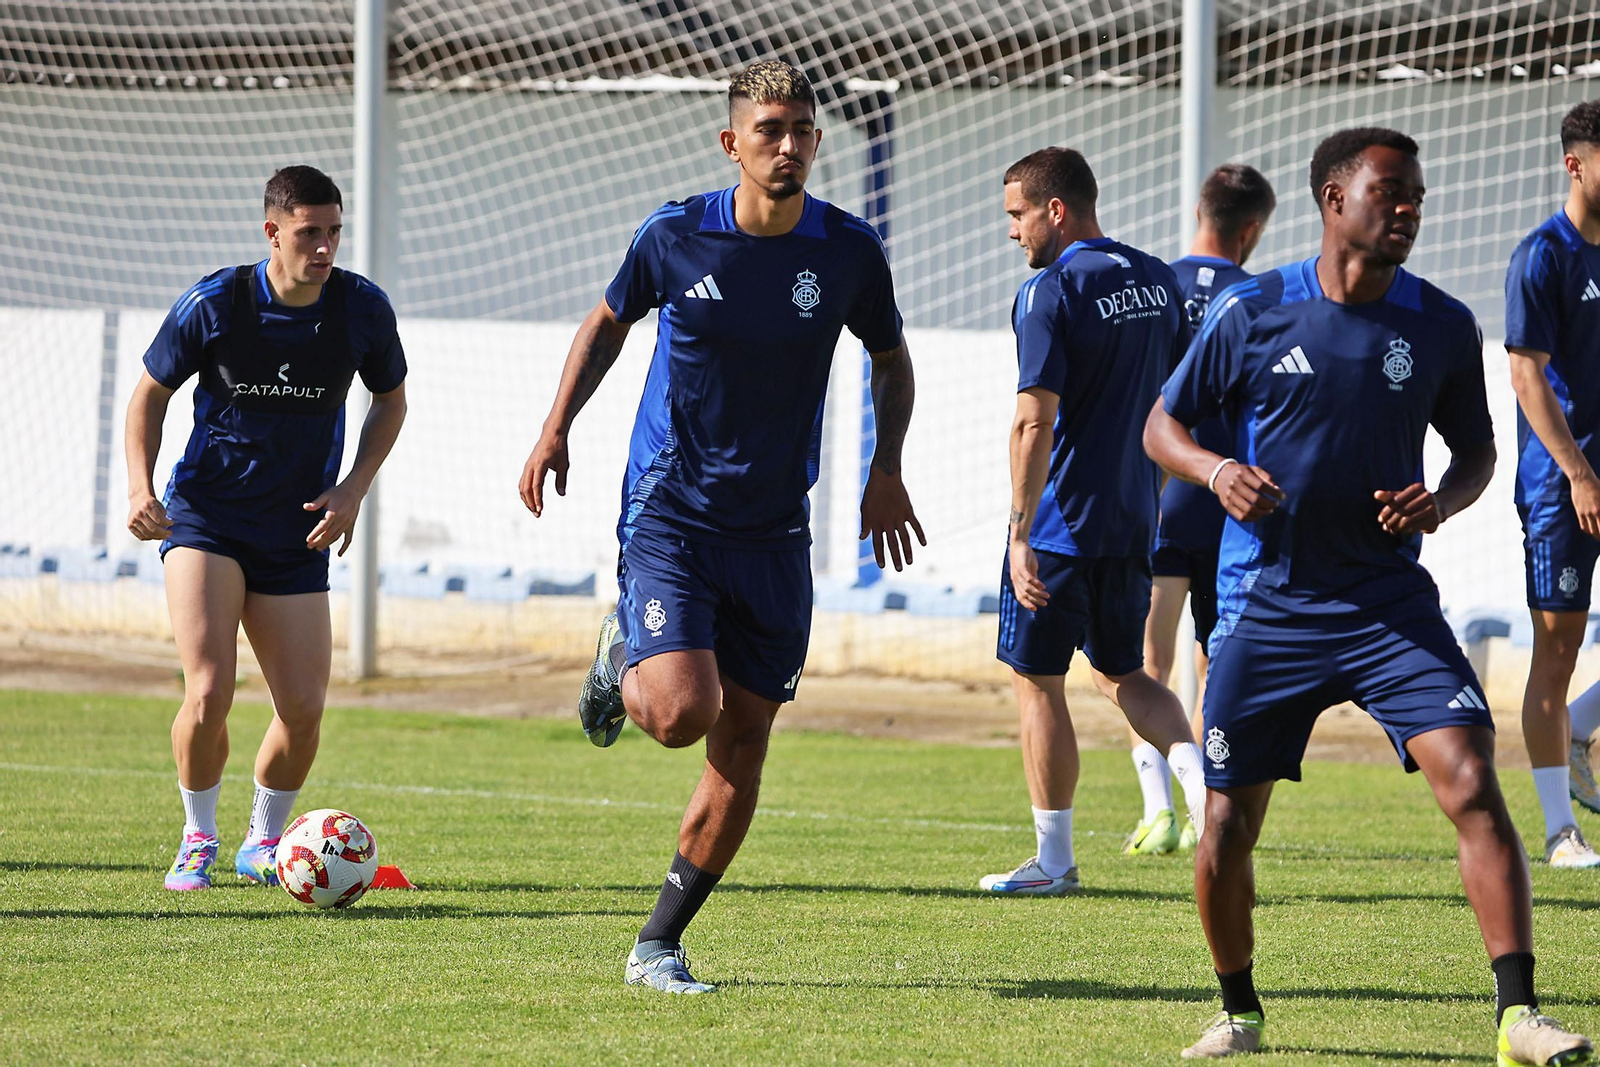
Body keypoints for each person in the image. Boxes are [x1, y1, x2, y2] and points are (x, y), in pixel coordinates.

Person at [1145, 127, 1591, 1064]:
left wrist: (1444, 497)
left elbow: (1475, 453)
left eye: (1417, 195)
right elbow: (1163, 424)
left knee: (1472, 779)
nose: (1409, 208)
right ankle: (1241, 1012)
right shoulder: (1254, 311)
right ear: (1332, 198)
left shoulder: (1436, 323)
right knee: (1226, 824)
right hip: (1269, 607)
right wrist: (1216, 468)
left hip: (1389, 604)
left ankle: (1519, 1015)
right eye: (1390, 192)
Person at [517, 60, 923, 994]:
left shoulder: (850, 252)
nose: (787, 147)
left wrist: (886, 469)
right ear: (731, 141)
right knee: (678, 714)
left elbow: (892, 360)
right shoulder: (674, 235)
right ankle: (630, 648)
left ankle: (657, 942)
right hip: (673, 513)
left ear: (819, 143)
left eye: (802, 132)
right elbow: (609, 323)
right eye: (769, 130)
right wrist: (555, 429)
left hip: (777, 527)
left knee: (744, 743)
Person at [124, 165, 408, 892]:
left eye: (334, 231)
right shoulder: (216, 302)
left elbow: (390, 401)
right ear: (272, 232)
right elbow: (148, 396)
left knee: (306, 708)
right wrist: (139, 487)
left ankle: (264, 839)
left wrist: (352, 489)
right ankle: (197, 837)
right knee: (211, 687)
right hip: (207, 519)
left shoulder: (361, 310)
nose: (324, 247)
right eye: (309, 232)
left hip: (297, 531)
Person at [980, 146, 1209, 897]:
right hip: (1134, 522)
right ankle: (1206, 793)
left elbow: (1032, 424)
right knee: (1124, 673)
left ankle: (1053, 860)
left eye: (1017, 214)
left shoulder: (1050, 292)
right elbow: (1180, 403)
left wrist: (1018, 534)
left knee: (1037, 680)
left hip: (1057, 529)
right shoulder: (1158, 280)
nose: (1011, 231)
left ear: (1055, 210)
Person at [1125, 164, 1276, 857]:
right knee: (1221, 663)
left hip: (1158, 501)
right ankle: (1215, 798)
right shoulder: (1262, 297)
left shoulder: (1154, 287)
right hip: (1229, 506)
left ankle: (1159, 811)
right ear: (1251, 229)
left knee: (1146, 664)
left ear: (1198, 211)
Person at [1506, 98, 1600, 868]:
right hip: (1561, 485)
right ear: (1575, 164)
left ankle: (1579, 725)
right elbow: (1525, 375)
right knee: (1558, 644)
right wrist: (1578, 472)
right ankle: (1558, 829)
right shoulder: (1543, 254)